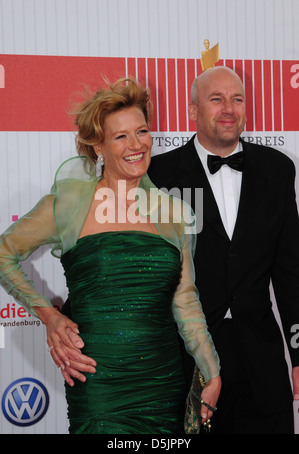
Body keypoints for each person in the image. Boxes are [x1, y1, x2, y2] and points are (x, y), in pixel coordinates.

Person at [0, 77, 221, 434]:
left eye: (143, 131)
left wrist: (212, 371)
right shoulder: (68, 205)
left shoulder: (175, 214)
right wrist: (49, 317)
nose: (136, 145)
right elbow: (3, 253)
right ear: (98, 147)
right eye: (121, 136)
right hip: (99, 385)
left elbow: (185, 303)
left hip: (163, 384)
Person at [148, 66, 299, 433]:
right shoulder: (160, 175)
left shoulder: (277, 169)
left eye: (237, 99)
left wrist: (298, 352)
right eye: (216, 99)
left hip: (262, 363)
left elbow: (291, 270)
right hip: (187, 361)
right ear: (192, 109)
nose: (228, 108)